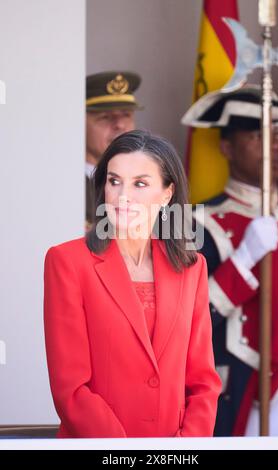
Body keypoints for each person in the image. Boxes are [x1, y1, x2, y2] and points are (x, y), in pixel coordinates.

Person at [44, 129, 221, 438]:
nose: (123, 196)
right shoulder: (67, 262)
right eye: (114, 181)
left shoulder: (192, 268)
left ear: (167, 193)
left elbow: (203, 381)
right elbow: (70, 388)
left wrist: (182, 449)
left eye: (140, 183)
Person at [182, 86, 278, 436]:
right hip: (242, 396)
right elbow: (187, 321)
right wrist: (244, 258)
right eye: (257, 136)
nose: (274, 146)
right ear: (227, 147)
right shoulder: (194, 222)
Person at [85, 71, 142, 229]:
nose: (119, 125)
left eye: (126, 115)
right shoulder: (64, 185)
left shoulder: (152, 183)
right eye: (105, 117)